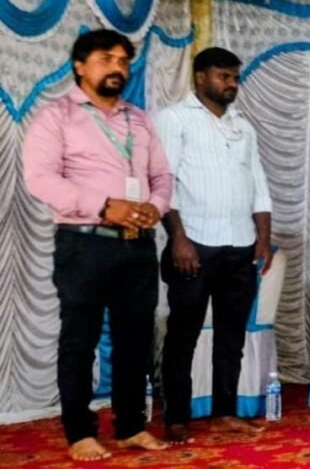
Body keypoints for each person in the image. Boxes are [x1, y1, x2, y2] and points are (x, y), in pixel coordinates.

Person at [22, 30, 172, 461]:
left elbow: (162, 176)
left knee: (135, 340)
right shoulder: (55, 116)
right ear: (79, 65)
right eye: (107, 59)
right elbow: (40, 179)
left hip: (137, 245)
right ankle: (79, 432)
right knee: (80, 339)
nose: (117, 68)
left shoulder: (139, 119)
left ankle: (130, 427)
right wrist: (105, 207)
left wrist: (155, 207)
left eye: (124, 61)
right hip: (83, 243)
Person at [154, 47, 273, 444]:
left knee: (231, 337)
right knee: (183, 335)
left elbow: (258, 183)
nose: (231, 84)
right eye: (224, 76)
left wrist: (263, 238)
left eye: (235, 77)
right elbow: (164, 182)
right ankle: (176, 417)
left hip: (240, 244)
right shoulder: (174, 119)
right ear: (201, 76)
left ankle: (224, 414)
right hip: (194, 245)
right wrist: (179, 238)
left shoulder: (244, 126)